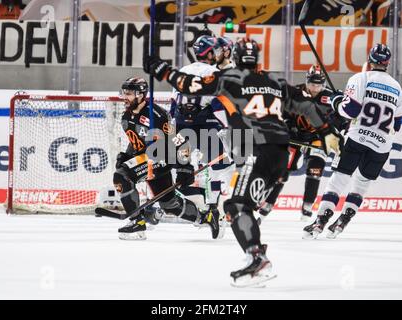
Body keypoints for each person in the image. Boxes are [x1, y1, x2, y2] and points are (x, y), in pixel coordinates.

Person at [144, 38, 343, 287]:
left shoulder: (230, 78)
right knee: (242, 206)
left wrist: (159, 68)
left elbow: (188, 84)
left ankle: (258, 259)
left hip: (257, 150)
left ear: (235, 58)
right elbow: (306, 107)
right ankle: (257, 254)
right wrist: (327, 132)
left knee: (236, 206)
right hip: (281, 153)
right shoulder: (275, 82)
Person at [303, 43, 402, 239]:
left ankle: (321, 221)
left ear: (370, 59)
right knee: (361, 184)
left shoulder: (361, 78)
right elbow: (397, 125)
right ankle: (343, 221)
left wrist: (336, 100)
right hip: (382, 144)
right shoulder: (397, 87)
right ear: (387, 63)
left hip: (357, 138)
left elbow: (350, 111)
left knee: (338, 180)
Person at [114, 77, 221, 240]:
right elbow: (136, 143)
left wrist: (185, 167)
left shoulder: (157, 115)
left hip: (162, 158)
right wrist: (126, 156)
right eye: (124, 93)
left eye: (128, 93)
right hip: (148, 159)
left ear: (140, 94)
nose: (124, 97)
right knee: (169, 204)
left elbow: (180, 141)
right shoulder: (126, 118)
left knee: (122, 176)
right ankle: (204, 217)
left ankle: (137, 223)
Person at [258, 65, 349, 222]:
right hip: (295, 135)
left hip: (317, 137)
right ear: (307, 82)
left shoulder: (331, 97)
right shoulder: (296, 93)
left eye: (319, 85)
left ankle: (307, 205)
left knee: (315, 168)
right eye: (312, 84)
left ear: (324, 84)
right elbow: (281, 113)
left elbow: (344, 116)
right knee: (282, 169)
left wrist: (342, 110)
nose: (315, 88)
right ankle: (268, 203)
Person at [170, 35, 230, 227]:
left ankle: (178, 205)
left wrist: (173, 129)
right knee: (218, 169)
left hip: (181, 127)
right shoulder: (215, 72)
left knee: (181, 169)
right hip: (207, 126)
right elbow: (218, 105)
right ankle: (212, 208)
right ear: (210, 52)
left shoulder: (182, 71)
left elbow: (173, 105)